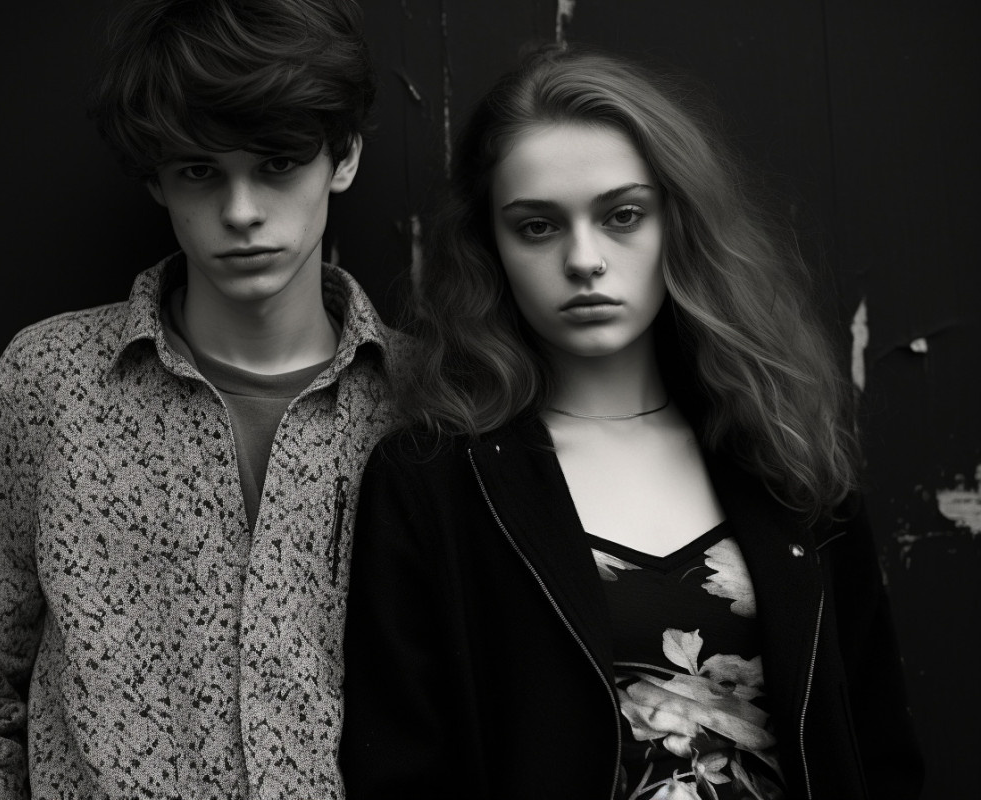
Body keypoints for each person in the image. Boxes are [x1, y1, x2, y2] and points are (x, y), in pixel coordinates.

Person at [338, 46, 922, 799]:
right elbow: (403, 774)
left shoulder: (781, 445)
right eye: (538, 226)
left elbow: (878, 745)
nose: (585, 259)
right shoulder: (437, 484)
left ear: (678, 222)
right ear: (491, 247)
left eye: (622, 216)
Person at [0, 1, 403, 797]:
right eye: (200, 170)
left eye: (278, 163)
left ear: (342, 159)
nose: (241, 212)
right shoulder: (50, 382)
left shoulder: (426, 402)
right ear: (154, 178)